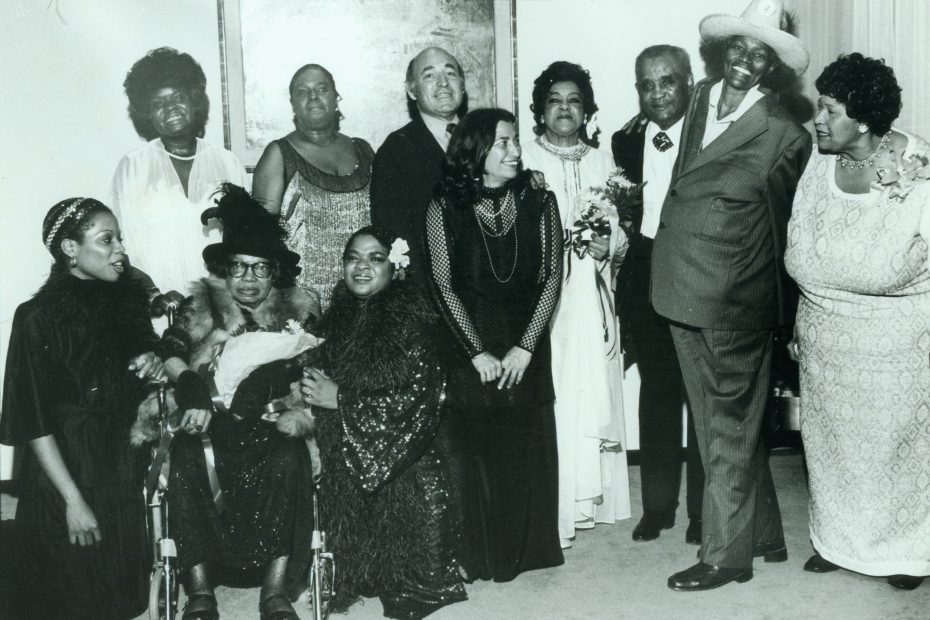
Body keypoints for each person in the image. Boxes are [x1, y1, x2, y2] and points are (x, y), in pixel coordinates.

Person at [651, 0, 812, 591]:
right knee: (725, 423)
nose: (745, 60)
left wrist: (784, 313)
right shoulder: (698, 96)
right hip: (677, 289)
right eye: (739, 48)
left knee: (724, 432)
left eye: (760, 53)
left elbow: (789, 227)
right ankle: (762, 532)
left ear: (773, 66)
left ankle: (726, 556)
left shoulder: (784, 135)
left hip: (733, 303)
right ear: (724, 51)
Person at [785, 53, 930, 591]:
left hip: (899, 344)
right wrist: (801, 322)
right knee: (831, 448)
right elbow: (800, 242)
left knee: (894, 452)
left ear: (863, 119)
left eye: (828, 109)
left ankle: (904, 552)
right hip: (825, 338)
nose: (817, 119)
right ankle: (835, 540)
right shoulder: (819, 163)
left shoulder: (919, 167)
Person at [157, 185, 320, 620]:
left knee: (290, 457)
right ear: (224, 272)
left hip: (269, 424)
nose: (248, 280)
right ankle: (199, 593)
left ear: (275, 274)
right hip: (209, 425)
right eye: (239, 268)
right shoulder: (202, 304)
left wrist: (275, 373)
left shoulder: (295, 310)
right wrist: (190, 381)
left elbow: (313, 361)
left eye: (260, 269)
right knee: (187, 456)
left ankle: (274, 591)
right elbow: (169, 347)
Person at [0, 198, 165, 619]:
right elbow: (32, 420)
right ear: (70, 249)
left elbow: (137, 384)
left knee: (124, 598)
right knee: (71, 596)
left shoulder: (127, 306)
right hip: (67, 474)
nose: (120, 250)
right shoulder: (36, 317)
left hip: (120, 466)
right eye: (106, 240)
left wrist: (153, 361)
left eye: (120, 239)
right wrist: (72, 501)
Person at [423, 108, 564, 581]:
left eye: (516, 141)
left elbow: (550, 277)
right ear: (476, 150)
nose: (516, 151)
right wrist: (476, 352)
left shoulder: (539, 200)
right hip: (471, 343)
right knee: (477, 452)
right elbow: (442, 285)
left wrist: (525, 346)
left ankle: (528, 551)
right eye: (503, 142)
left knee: (524, 446)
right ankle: (479, 555)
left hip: (526, 339)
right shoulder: (443, 206)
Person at [298, 226, 467, 619]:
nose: (362, 267)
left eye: (375, 258)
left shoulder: (413, 319)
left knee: (409, 578)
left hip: (409, 457)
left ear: (396, 267)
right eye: (353, 257)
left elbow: (416, 401)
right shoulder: (336, 317)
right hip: (348, 454)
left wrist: (339, 398)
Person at [520, 61, 631, 549]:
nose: (564, 109)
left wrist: (612, 245)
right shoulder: (522, 158)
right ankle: (558, 496)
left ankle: (593, 496)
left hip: (594, 289)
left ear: (586, 109)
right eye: (554, 100)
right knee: (559, 387)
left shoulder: (603, 160)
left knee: (594, 385)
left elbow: (620, 227)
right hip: (548, 297)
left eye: (574, 101)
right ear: (540, 109)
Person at [611, 46, 705, 545]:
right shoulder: (625, 141)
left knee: (702, 397)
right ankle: (658, 507)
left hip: (697, 274)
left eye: (668, 81)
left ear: (689, 81)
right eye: (646, 84)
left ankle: (704, 513)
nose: (657, 93)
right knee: (657, 392)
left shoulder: (712, 135)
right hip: (646, 275)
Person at [113, 47, 247, 313]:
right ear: (148, 113)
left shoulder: (226, 162)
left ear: (194, 100)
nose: (170, 108)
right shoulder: (133, 166)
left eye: (178, 97)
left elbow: (245, 240)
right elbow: (123, 248)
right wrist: (154, 296)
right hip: (161, 309)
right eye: (158, 103)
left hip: (221, 310)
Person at [252, 64, 374, 309]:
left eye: (322, 88)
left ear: (336, 98)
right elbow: (259, 241)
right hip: (303, 307)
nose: (313, 96)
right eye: (302, 92)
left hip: (365, 299)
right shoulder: (278, 154)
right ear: (293, 106)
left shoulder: (364, 150)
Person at [370, 46, 467, 285]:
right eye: (429, 75)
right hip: (431, 294)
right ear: (412, 90)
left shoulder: (488, 138)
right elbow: (394, 235)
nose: (443, 83)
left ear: (463, 86)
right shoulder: (396, 150)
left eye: (450, 73)